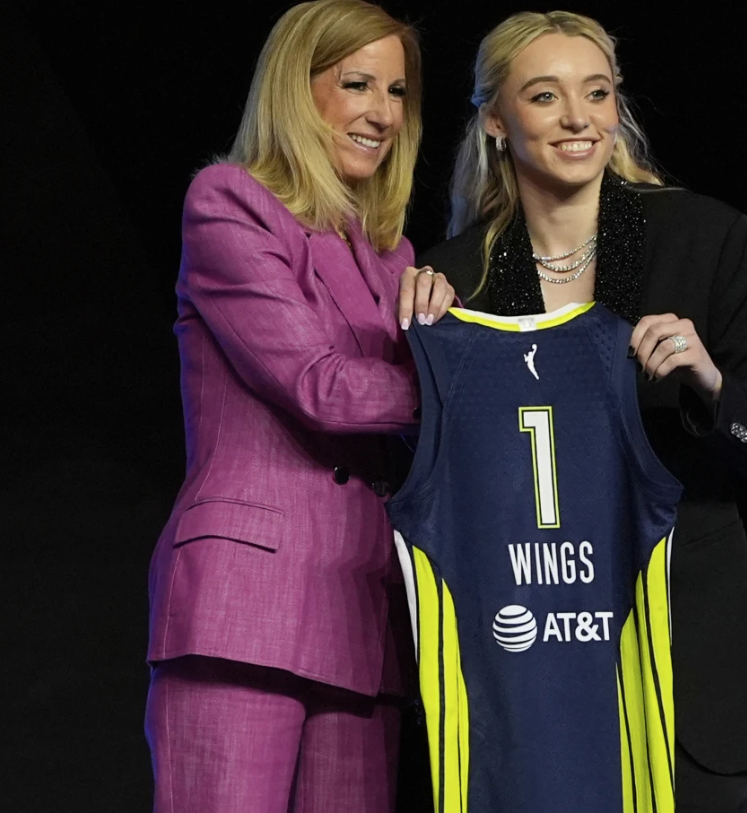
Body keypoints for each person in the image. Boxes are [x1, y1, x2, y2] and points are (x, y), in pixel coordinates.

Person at [418, 11, 747, 812]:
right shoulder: (456, 279)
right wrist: (417, 329)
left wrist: (712, 386)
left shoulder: (704, 238)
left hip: (686, 678)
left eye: (596, 94)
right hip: (534, 687)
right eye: (545, 95)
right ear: (495, 119)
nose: (577, 119)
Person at [144, 2, 453, 811]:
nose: (382, 112)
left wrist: (460, 340)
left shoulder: (396, 256)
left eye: (396, 91)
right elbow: (320, 385)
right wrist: (469, 384)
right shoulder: (229, 202)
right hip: (246, 602)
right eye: (356, 84)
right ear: (294, 88)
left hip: (364, 612)